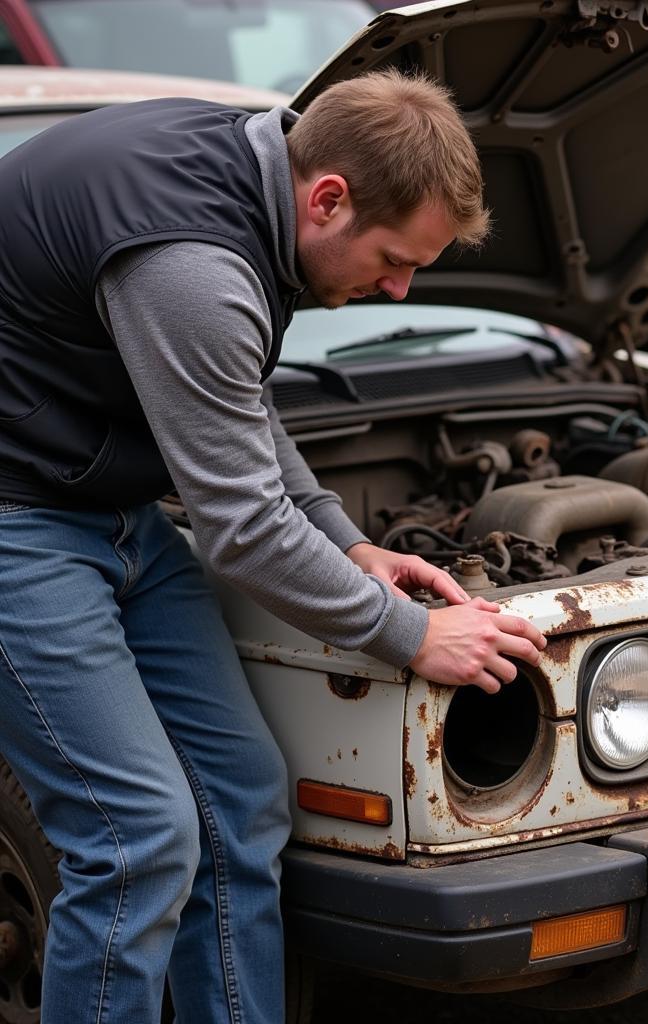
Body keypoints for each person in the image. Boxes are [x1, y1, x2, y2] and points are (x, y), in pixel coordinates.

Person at [0, 69, 547, 1023]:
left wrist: (346, 542)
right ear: (327, 197)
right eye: (391, 258)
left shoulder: (262, 168)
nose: (399, 285)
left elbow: (235, 397)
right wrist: (409, 635)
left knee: (242, 797)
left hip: (110, 504)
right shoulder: (191, 260)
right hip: (16, 520)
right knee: (136, 839)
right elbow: (243, 530)